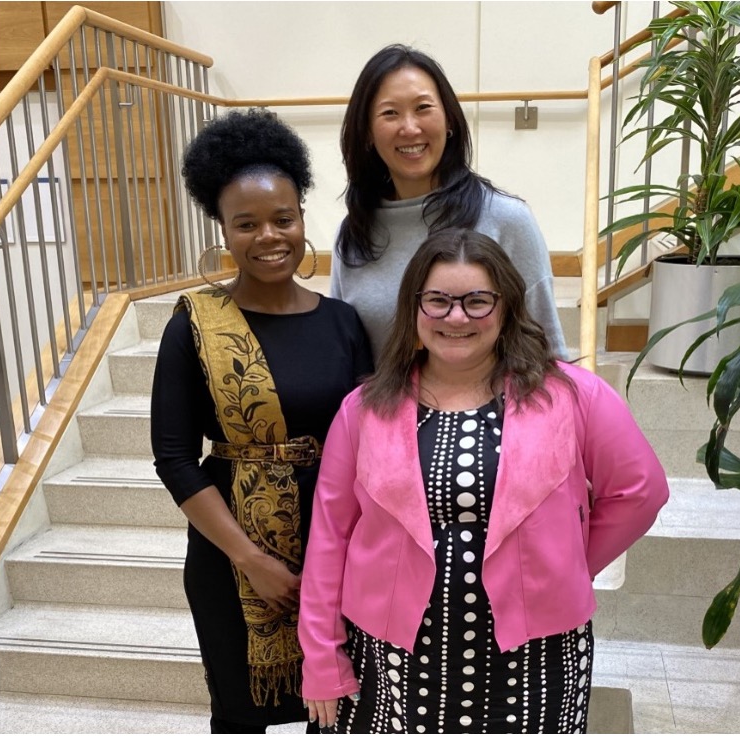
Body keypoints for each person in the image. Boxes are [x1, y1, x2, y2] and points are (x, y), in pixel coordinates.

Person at [298, 229, 668, 734]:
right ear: (413, 308)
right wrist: (321, 659)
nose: (457, 317)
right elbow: (329, 539)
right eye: (438, 301)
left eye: (477, 301)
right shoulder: (363, 410)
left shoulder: (571, 394)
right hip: (390, 658)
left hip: (537, 655)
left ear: (506, 307)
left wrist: (566, 566)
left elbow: (639, 490)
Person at [150, 109, 373, 734]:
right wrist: (252, 559)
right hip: (230, 552)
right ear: (224, 232)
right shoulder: (195, 322)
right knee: (242, 711)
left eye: (284, 218)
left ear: (303, 216)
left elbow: (372, 441)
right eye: (246, 224)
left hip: (337, 539)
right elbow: (173, 457)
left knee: (339, 705)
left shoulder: (342, 322)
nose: (269, 236)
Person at [332, 43, 567, 361]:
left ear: (450, 121)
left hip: (494, 408)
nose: (410, 128)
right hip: (386, 408)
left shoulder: (506, 218)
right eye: (390, 113)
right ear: (368, 134)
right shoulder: (354, 232)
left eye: (423, 108)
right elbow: (348, 357)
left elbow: (546, 349)